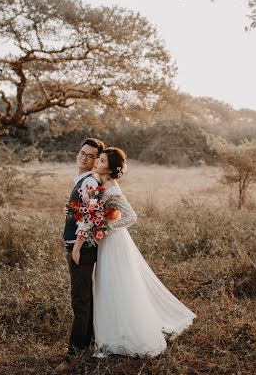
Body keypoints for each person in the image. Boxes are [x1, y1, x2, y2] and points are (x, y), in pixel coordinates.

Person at [72, 147, 196, 358]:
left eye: (102, 161)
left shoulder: (111, 187)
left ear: (110, 169)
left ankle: (126, 334)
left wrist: (105, 227)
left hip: (114, 243)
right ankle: (109, 331)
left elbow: (131, 217)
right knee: (106, 286)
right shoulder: (97, 182)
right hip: (104, 243)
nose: (97, 163)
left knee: (117, 285)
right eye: (98, 159)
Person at [55, 137, 106, 374]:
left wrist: (76, 246)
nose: (84, 157)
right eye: (82, 153)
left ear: (97, 161)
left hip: (81, 249)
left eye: (90, 156)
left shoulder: (89, 181)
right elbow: (82, 211)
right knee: (85, 296)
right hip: (79, 246)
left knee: (80, 300)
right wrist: (70, 209)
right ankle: (89, 342)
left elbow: (90, 217)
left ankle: (73, 356)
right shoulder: (85, 180)